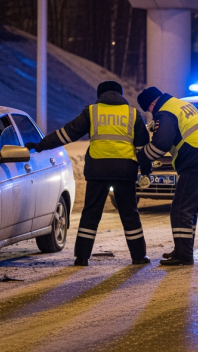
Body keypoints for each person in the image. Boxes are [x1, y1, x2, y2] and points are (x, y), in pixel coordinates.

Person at [26, 81, 151, 266]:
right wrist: (146, 171)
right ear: (120, 94)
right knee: (130, 214)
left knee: (91, 214)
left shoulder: (92, 111)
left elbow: (67, 133)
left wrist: (40, 145)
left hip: (97, 171)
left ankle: (82, 257)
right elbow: (142, 147)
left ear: (100, 94)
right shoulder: (133, 114)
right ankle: (139, 256)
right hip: (125, 171)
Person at [136, 87, 198, 266]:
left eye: (149, 110)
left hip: (196, 161)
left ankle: (184, 256)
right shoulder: (180, 104)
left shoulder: (165, 112)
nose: (151, 114)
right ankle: (183, 250)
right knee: (188, 210)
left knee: (180, 209)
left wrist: (140, 158)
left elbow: (160, 145)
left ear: (152, 104)